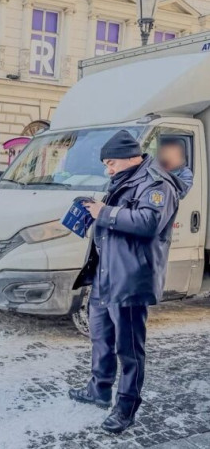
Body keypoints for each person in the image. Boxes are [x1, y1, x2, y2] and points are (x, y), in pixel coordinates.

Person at [69, 130, 183, 434]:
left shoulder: (157, 183)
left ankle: (126, 408)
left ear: (129, 157)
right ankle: (99, 389)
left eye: (111, 163)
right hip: (106, 275)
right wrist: (94, 211)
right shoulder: (125, 178)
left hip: (130, 279)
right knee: (101, 338)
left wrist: (104, 212)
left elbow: (149, 222)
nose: (108, 170)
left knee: (129, 349)